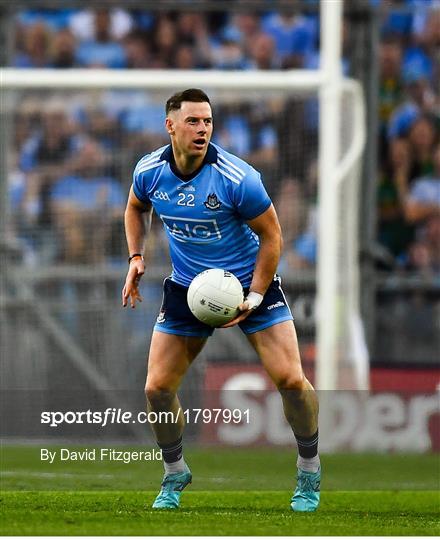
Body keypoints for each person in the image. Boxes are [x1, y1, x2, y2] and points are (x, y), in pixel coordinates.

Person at [122, 89, 320, 512]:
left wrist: (255, 295)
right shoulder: (150, 170)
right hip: (189, 288)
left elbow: (273, 235)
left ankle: (309, 467)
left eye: (208, 121)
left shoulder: (237, 178)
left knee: (290, 381)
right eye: (193, 121)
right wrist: (136, 257)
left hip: (250, 283)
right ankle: (174, 472)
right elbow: (135, 207)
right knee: (156, 389)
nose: (202, 129)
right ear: (170, 126)